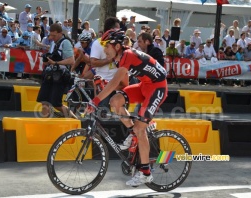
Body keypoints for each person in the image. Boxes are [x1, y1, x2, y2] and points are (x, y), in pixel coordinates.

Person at [86, 29, 168, 186]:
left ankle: (145, 173)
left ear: (117, 46)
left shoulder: (128, 55)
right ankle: (132, 133)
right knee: (115, 101)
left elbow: (115, 82)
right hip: (144, 85)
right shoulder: (118, 59)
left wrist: (95, 100)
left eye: (106, 45)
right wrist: (103, 83)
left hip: (157, 88)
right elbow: (123, 84)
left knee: (140, 128)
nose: (104, 49)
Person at [37, 23, 77, 119]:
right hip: (50, 74)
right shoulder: (54, 43)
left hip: (60, 76)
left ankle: (75, 120)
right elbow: (52, 58)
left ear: (60, 33)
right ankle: (44, 124)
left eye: (54, 35)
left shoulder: (65, 42)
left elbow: (72, 60)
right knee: (44, 100)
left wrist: (55, 63)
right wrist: (47, 61)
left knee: (56, 103)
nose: (51, 37)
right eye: (50, 35)